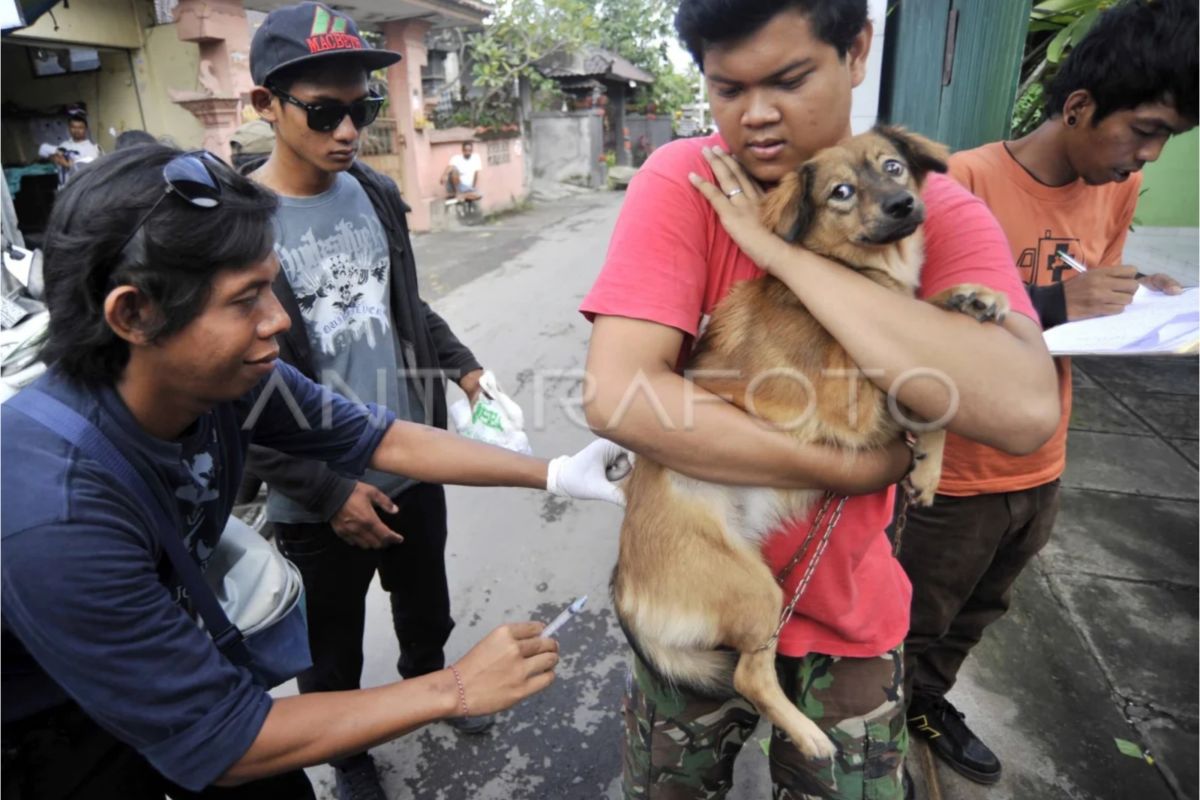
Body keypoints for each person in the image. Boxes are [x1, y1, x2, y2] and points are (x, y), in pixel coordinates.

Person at [0, 145, 625, 800]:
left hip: (174, 661)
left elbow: (378, 436)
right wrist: (454, 688)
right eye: (245, 299)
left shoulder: (230, 380)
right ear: (134, 315)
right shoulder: (53, 513)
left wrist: (556, 473)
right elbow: (223, 739)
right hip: (64, 732)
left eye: (272, 284)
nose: (279, 319)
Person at [579, 0, 1062, 797]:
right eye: (727, 88)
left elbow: (1022, 411)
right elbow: (622, 396)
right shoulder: (690, 179)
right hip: (697, 587)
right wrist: (857, 466)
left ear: (858, 50)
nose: (758, 116)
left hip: (852, 616)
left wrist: (781, 251)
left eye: (790, 78)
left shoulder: (921, 204)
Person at [899, 0, 1196, 785]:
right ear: (1077, 106)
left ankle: (925, 703)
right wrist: (1062, 302)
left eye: (1169, 139)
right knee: (911, 617)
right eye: (1146, 129)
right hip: (952, 473)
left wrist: (1145, 300)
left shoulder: (1115, 188)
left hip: (1041, 462)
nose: (1150, 157)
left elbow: (1092, 293)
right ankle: (872, 725)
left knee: (979, 612)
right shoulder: (960, 182)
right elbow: (911, 325)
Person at [241, 4, 500, 796]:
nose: (348, 129)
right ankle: (347, 755)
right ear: (266, 106)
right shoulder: (233, 226)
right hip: (316, 497)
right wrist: (325, 488)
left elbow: (404, 306)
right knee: (331, 652)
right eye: (325, 111)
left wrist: (462, 369)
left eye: (364, 108)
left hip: (408, 456)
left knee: (427, 612)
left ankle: (435, 686)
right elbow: (228, 390)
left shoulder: (375, 194)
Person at [44, 108, 101, 185]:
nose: (76, 130)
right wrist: (53, 158)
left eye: (80, 127)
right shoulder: (64, 145)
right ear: (69, 128)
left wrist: (68, 165)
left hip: (81, 188)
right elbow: (54, 160)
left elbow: (88, 170)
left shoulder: (91, 149)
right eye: (73, 127)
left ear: (85, 129)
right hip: (63, 187)